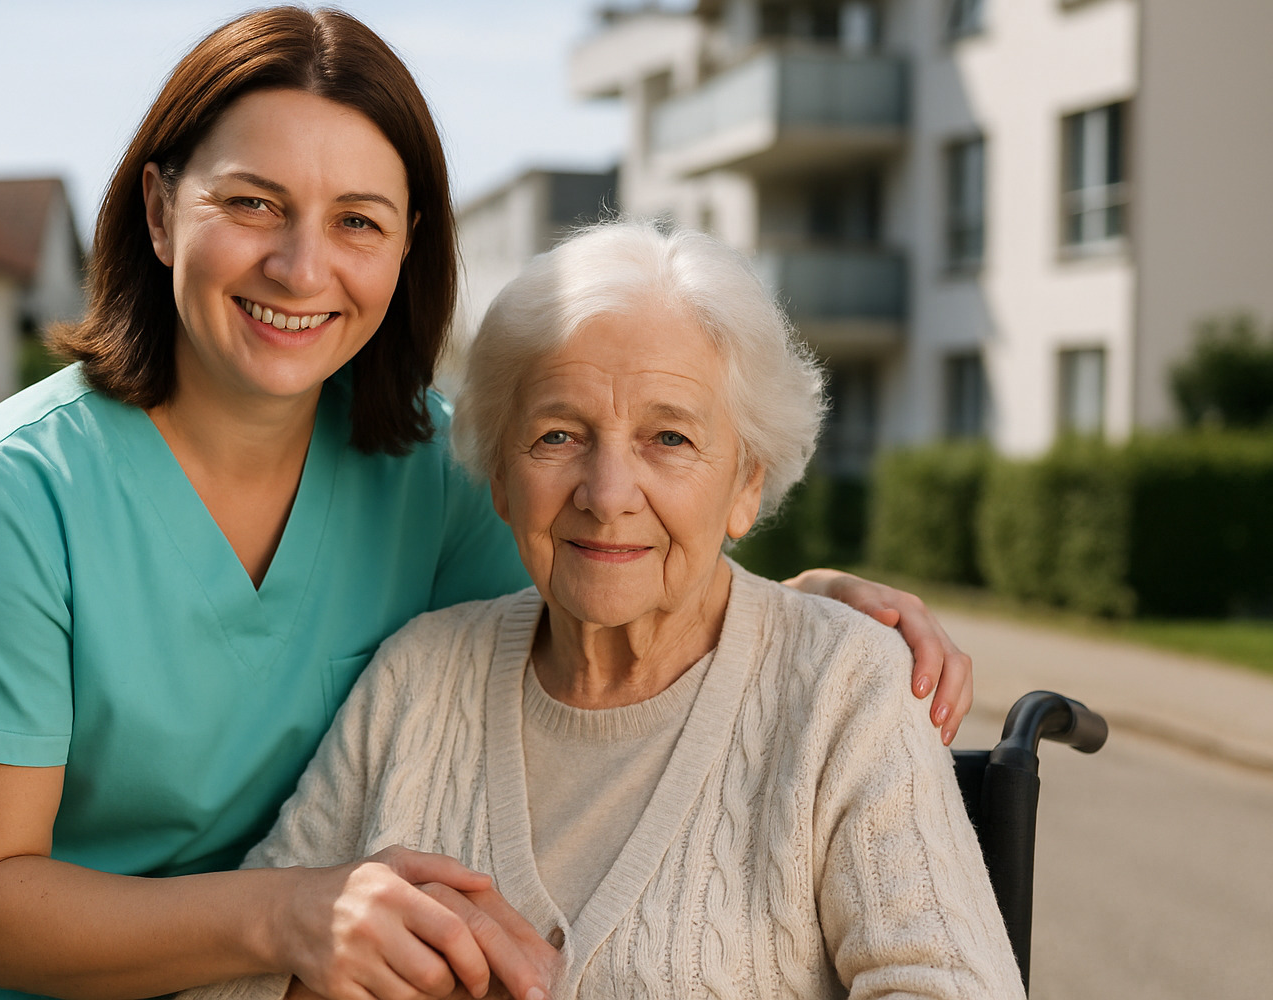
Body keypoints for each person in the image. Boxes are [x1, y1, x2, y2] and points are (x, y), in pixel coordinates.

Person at [0, 7, 975, 1000]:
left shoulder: (428, 467)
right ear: (163, 213)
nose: (301, 266)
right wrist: (288, 914)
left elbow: (614, 570)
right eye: (255, 203)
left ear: (408, 247)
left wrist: (796, 619)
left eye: (358, 220)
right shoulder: (17, 488)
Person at [180, 223, 1024, 1000]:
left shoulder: (845, 687)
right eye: (558, 435)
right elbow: (223, 978)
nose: (608, 494)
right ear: (501, 479)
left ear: (747, 483)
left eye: (670, 439)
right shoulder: (416, 676)